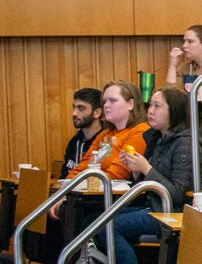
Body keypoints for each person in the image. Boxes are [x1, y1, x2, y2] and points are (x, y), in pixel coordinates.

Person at [101, 87, 202, 264]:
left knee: (108, 226)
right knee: (94, 219)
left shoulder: (186, 143)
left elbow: (177, 193)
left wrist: (146, 168)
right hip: (153, 204)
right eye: (150, 105)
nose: (150, 111)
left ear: (175, 111)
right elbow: (149, 182)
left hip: (174, 211)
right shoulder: (158, 138)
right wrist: (134, 169)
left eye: (157, 106)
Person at [49, 81, 151, 221]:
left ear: (130, 104)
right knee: (48, 210)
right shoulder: (105, 134)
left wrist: (70, 192)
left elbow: (117, 175)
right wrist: (63, 192)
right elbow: (81, 168)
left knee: (72, 213)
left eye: (113, 100)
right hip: (95, 197)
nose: (106, 106)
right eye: (104, 101)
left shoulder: (140, 131)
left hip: (118, 200)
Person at [62, 88, 104, 178]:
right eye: (74, 107)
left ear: (97, 113)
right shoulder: (75, 141)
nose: (74, 113)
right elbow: (64, 177)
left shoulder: (105, 142)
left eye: (81, 108)